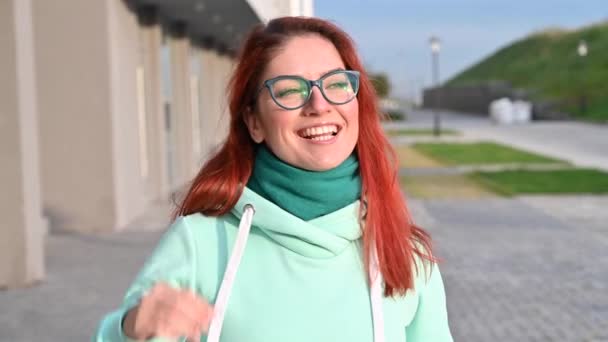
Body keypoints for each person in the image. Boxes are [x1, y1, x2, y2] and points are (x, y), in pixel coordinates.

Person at [94, 16, 453, 342]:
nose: (318, 104)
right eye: (289, 90)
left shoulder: (404, 253)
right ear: (254, 121)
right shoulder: (201, 243)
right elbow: (128, 333)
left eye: (337, 84)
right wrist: (130, 328)